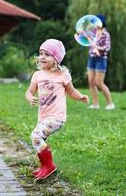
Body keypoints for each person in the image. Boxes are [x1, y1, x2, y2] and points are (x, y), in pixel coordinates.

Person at [25, 39, 89, 180]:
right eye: (41, 53)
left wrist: (80, 97)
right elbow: (29, 92)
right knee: (38, 139)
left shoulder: (63, 76)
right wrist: (30, 98)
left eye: (47, 54)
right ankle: (44, 166)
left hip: (57, 117)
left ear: (56, 59)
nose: (42, 57)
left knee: (35, 136)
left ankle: (49, 167)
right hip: (43, 117)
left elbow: (71, 91)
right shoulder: (38, 75)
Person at [87, 14, 115, 110]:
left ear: (101, 23)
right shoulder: (93, 32)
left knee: (99, 82)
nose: (95, 24)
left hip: (101, 59)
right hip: (92, 58)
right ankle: (95, 104)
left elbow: (107, 48)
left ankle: (110, 104)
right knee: (91, 82)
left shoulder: (106, 34)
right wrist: (83, 33)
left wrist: (96, 47)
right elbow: (87, 39)